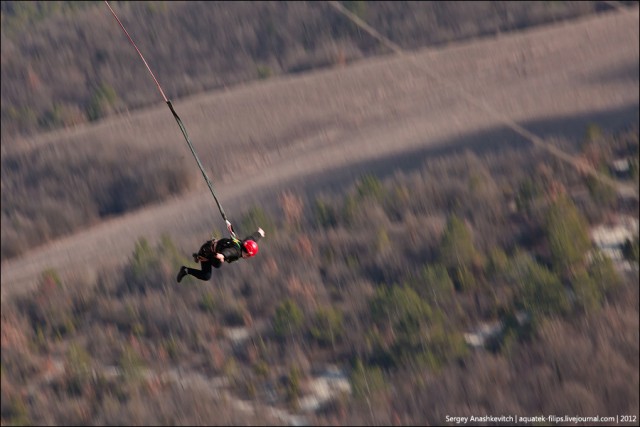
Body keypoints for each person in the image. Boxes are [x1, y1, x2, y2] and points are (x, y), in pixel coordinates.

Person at [177, 227, 265, 283]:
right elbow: (230, 251)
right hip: (207, 252)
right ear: (248, 255)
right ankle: (185, 270)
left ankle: (205, 258)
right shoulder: (236, 252)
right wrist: (223, 255)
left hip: (213, 251)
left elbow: (252, 238)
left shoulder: (243, 243)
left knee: (217, 264)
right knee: (206, 276)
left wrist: (259, 233)